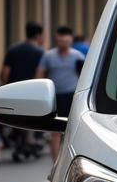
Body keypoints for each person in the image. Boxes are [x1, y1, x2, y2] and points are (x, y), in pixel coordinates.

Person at [36, 25, 85, 160]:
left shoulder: (78, 56)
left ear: (71, 40)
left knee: (72, 130)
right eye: (60, 41)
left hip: (72, 96)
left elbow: (84, 77)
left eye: (66, 41)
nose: (63, 43)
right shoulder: (48, 56)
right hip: (55, 97)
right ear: (56, 40)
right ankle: (56, 164)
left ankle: (72, 160)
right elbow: (39, 74)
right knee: (55, 132)